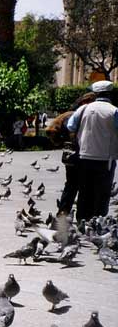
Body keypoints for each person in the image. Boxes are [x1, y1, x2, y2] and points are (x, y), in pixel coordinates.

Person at [66, 80, 118, 221]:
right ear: (109, 94)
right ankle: (97, 222)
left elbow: (70, 126)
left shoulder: (83, 109)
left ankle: (82, 221)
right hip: (106, 160)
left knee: (85, 191)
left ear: (95, 94)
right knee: (102, 193)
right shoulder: (114, 111)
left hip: (84, 157)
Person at [48, 92, 96, 215]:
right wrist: (68, 142)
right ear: (84, 102)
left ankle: (64, 212)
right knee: (76, 185)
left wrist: (60, 143)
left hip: (70, 155)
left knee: (71, 184)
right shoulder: (74, 115)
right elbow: (66, 132)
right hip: (77, 154)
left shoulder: (69, 115)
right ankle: (71, 213)